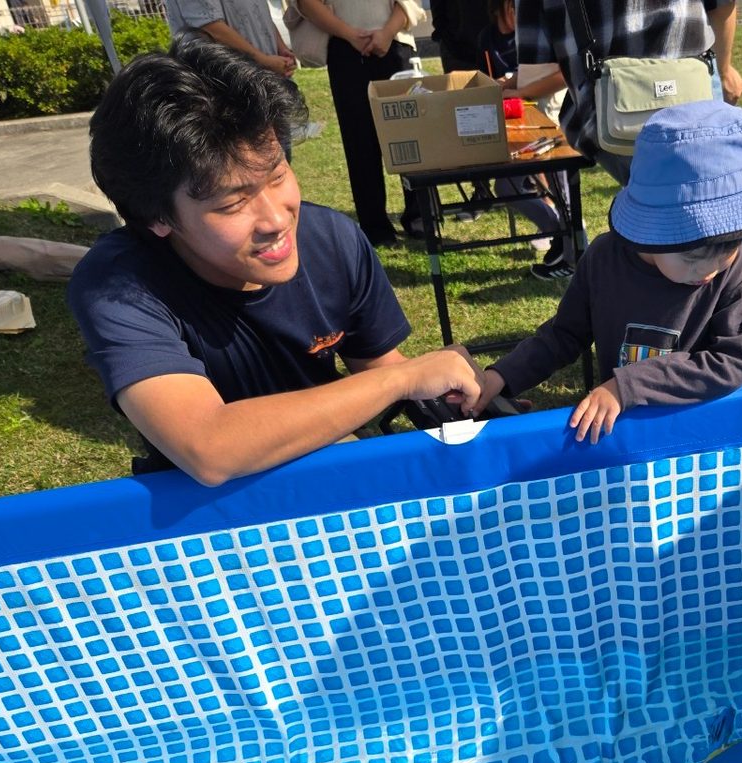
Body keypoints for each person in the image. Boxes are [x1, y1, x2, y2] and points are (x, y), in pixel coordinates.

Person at [67, 33, 480, 486]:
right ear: (156, 217)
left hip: (327, 470)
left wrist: (445, 394)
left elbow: (378, 366)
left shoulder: (332, 240)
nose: (277, 220)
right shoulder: (120, 286)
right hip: (209, 507)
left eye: (278, 175)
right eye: (233, 203)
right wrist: (401, 381)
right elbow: (208, 448)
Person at [472, 101, 742, 444]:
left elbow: (730, 362)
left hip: (695, 431)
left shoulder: (736, 267)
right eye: (694, 255)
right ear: (651, 231)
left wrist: (628, 386)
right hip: (622, 432)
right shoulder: (603, 260)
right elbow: (563, 335)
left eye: (728, 249)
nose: (710, 271)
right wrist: (503, 375)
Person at [514, 0, 742, 185]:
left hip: (613, 118)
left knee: (653, 215)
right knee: (716, 200)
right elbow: (723, 5)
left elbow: (538, 62)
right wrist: (724, 71)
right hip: (696, 91)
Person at [297, 0, 425, 243]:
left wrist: (387, 33)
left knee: (410, 135)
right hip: (344, 48)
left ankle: (421, 216)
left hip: (396, 42)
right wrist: (350, 35)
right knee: (359, 140)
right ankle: (375, 226)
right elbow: (306, 3)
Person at [479, 0, 577, 280]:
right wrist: (507, 85)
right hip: (530, 116)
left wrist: (520, 92)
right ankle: (560, 236)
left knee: (562, 192)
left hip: (550, 116)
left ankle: (571, 254)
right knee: (506, 185)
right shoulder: (524, 17)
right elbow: (535, 67)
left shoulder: (552, 10)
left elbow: (566, 69)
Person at [167, 0, 295, 76]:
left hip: (262, 76)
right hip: (229, 82)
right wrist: (263, 61)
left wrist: (280, 47)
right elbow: (212, 28)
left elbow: (259, 12)